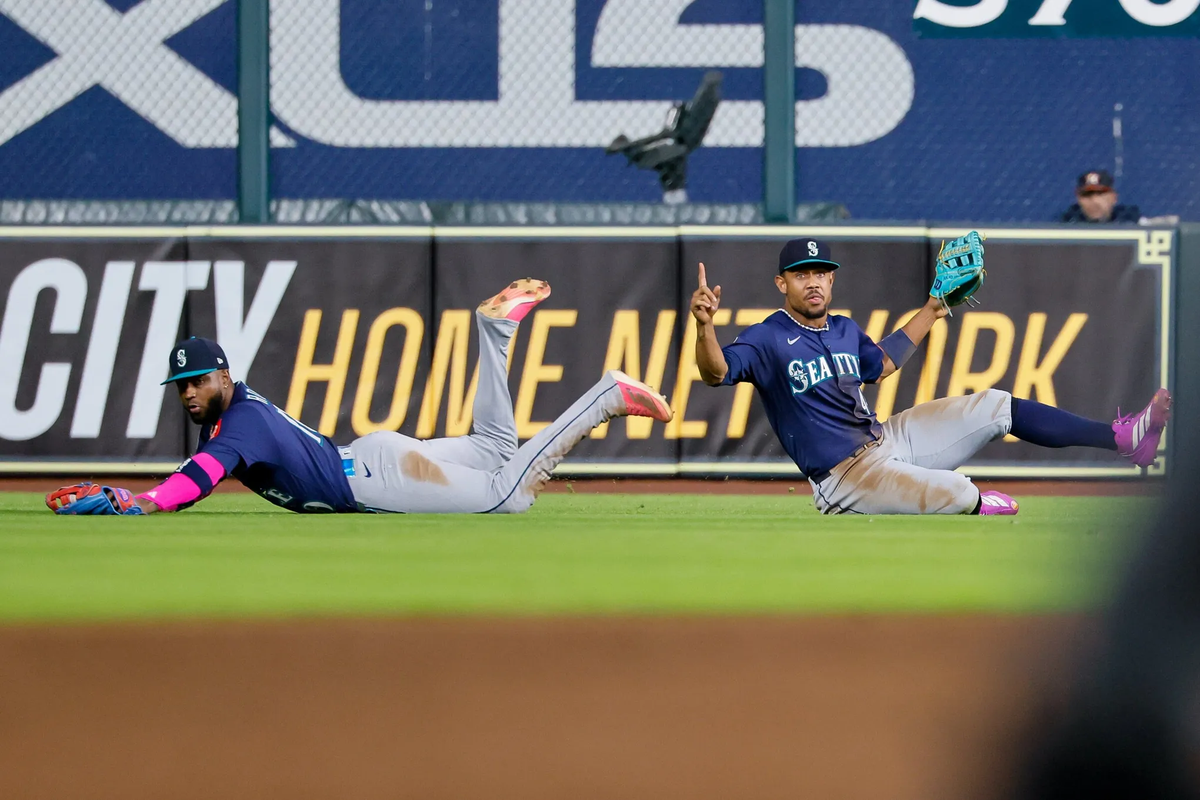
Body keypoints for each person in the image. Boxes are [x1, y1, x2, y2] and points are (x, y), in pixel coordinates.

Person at [46, 280, 673, 516]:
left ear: (225, 377)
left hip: (375, 480)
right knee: (493, 448)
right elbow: (206, 462)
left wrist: (143, 502)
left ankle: (606, 396)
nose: (189, 394)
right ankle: (495, 327)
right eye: (181, 387)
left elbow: (197, 480)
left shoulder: (239, 425)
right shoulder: (237, 417)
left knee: (501, 498)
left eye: (198, 382)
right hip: (372, 457)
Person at [690, 238, 1171, 516]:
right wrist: (705, 326)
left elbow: (882, 363)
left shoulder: (842, 329)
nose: (813, 281)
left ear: (832, 279)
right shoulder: (766, 337)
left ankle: (1124, 438)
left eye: (821, 272)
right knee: (962, 491)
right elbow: (716, 373)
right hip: (845, 479)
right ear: (783, 283)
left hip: (886, 439)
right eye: (801, 274)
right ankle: (975, 503)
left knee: (995, 404)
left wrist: (935, 307)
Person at [1059, 169, 1141, 223]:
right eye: (1087, 195)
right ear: (1078, 199)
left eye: (1100, 194)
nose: (1094, 200)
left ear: (1114, 197)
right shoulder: (1066, 225)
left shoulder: (1130, 221)